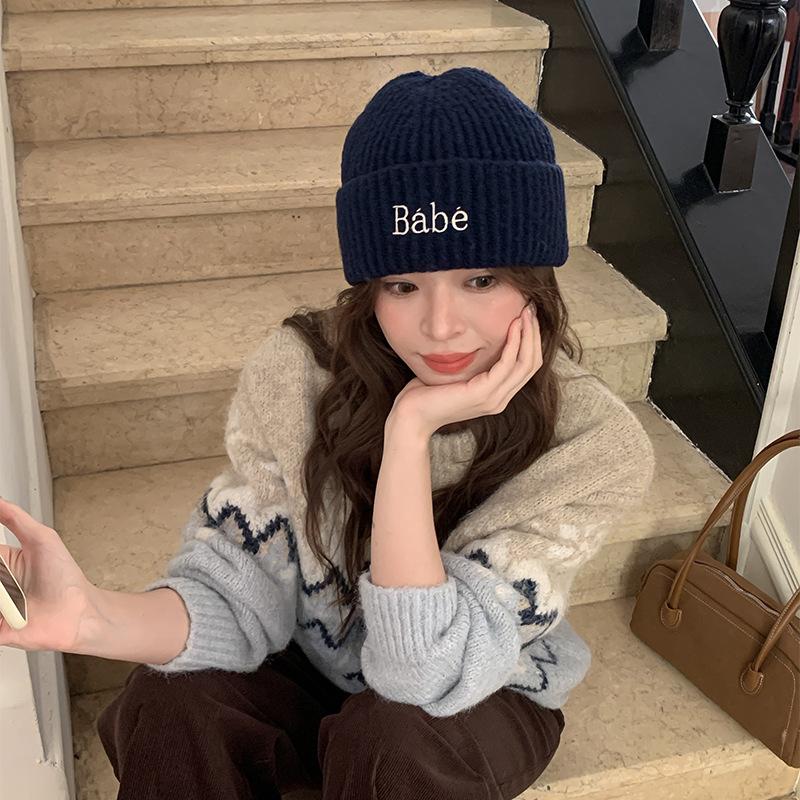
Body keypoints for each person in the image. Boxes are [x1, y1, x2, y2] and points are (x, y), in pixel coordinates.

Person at [0, 67, 656, 799]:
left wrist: (409, 432)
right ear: (370, 289)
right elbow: (237, 586)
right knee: (168, 700)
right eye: (403, 285)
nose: (441, 327)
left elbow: (422, 675)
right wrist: (89, 619)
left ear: (534, 279)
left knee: (392, 744)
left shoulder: (593, 444)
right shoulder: (297, 374)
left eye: (480, 280)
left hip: (478, 688)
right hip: (316, 661)